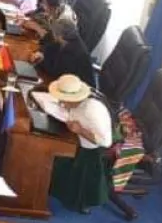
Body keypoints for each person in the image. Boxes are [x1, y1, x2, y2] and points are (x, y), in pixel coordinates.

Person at [48, 74, 113, 213]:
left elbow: (106, 142)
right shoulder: (76, 105)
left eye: (63, 100)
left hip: (90, 152)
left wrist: (81, 130)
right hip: (76, 139)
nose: (61, 103)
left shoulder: (92, 110)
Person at [31, 18, 95, 88]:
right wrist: (41, 52)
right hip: (69, 83)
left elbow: (56, 72)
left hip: (81, 88)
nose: (53, 35)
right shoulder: (68, 39)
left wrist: (41, 61)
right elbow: (51, 46)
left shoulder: (72, 51)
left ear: (60, 36)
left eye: (54, 33)